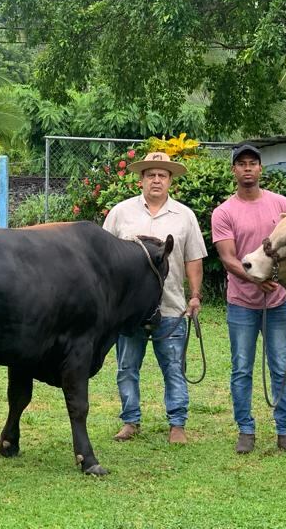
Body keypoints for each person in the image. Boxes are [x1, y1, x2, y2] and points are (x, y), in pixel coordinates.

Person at [103, 151, 207, 444]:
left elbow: (193, 259)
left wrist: (195, 296)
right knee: (126, 367)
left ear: (171, 180)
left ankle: (177, 424)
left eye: (162, 175)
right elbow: (104, 257)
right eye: (151, 175)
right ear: (141, 180)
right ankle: (130, 421)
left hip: (171, 305)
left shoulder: (185, 215)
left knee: (173, 367)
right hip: (128, 309)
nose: (157, 180)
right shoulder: (120, 213)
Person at [211, 144, 286, 455]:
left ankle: (285, 433)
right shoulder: (224, 212)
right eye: (241, 164)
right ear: (234, 170)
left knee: (281, 366)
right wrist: (253, 278)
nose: (247, 169)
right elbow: (227, 257)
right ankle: (246, 431)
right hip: (241, 303)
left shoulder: (281, 205)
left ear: (261, 169)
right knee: (241, 367)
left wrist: (283, 283)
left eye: (253, 163)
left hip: (278, 302)